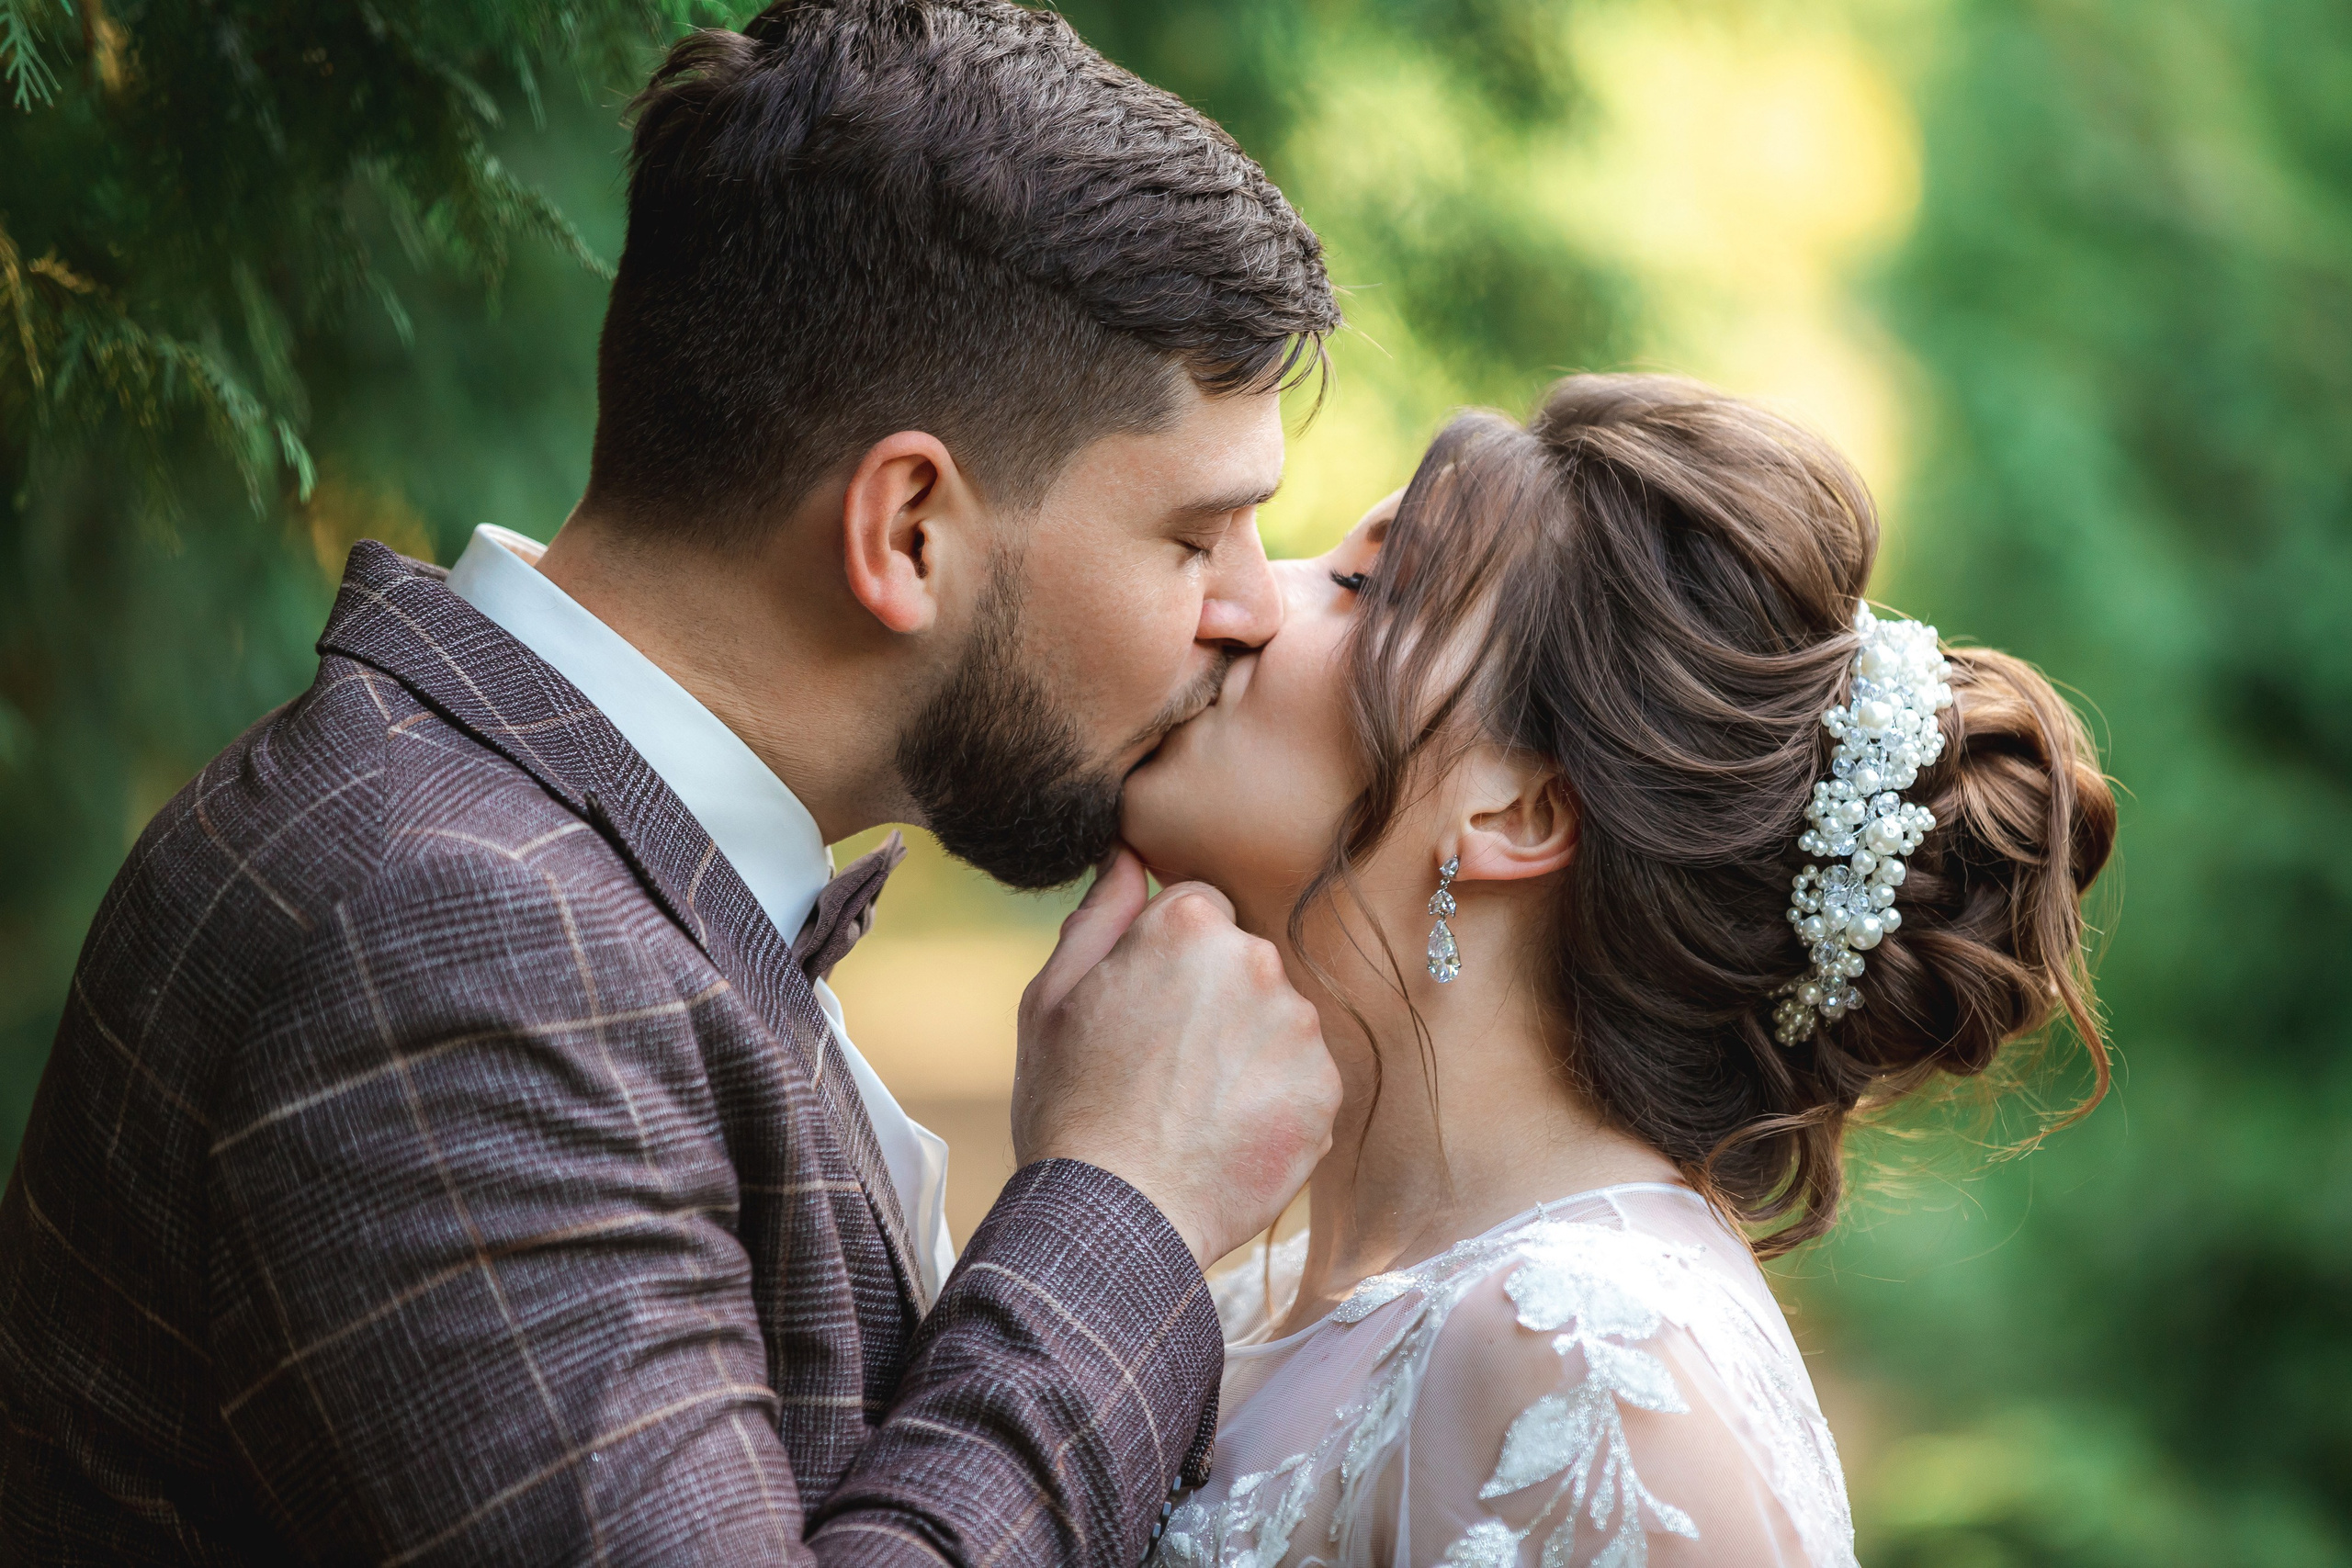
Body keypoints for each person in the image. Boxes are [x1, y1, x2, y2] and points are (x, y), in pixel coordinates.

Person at [0, 2, 1347, 1562]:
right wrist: (1131, 1209)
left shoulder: (528, 864)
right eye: (1195, 536)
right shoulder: (450, 944)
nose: (1254, 607)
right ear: (907, 530)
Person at [1120, 374, 2118, 1568]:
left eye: (1361, 588)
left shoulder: (1589, 1364)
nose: (1238, 601)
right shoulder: (1255, 1290)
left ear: (1520, 810)